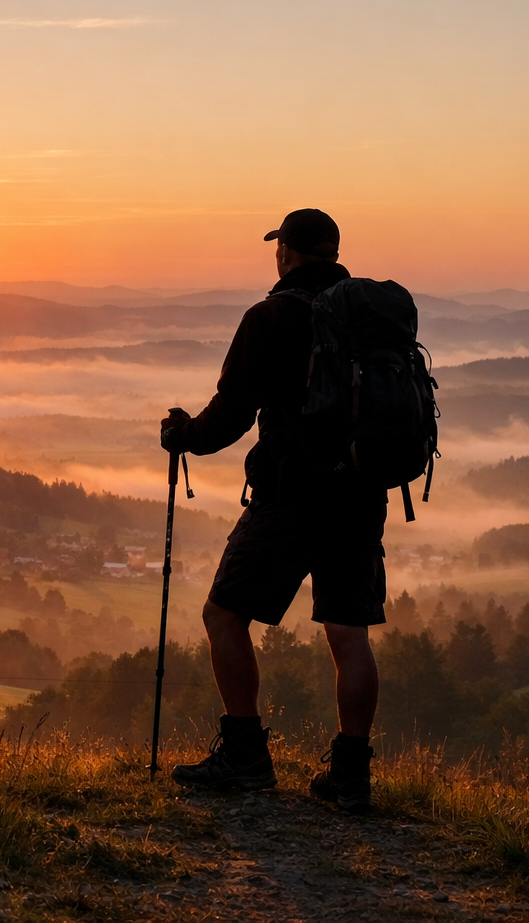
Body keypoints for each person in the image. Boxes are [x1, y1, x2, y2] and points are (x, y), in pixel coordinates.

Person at [160, 207, 385, 813]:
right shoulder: (366, 315)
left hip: (290, 495)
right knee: (349, 632)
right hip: (362, 493)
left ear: (286, 251)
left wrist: (184, 436)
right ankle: (351, 776)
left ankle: (245, 758)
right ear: (333, 252)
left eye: (279, 247)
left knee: (223, 614)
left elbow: (231, 414)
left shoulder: (271, 317)